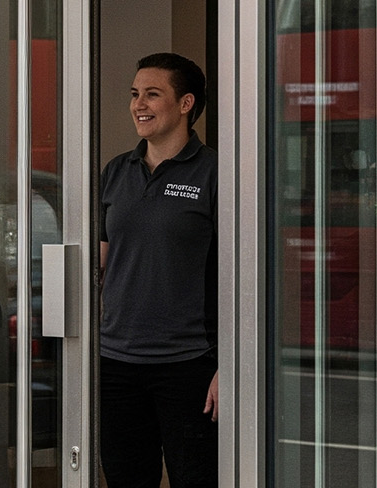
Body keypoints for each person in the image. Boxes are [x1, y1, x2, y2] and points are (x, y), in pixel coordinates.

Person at [99, 52, 219, 488]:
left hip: (188, 366)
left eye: (152, 94)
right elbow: (101, 260)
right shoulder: (115, 172)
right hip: (116, 364)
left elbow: (239, 278)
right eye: (134, 94)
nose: (138, 104)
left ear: (186, 104)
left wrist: (228, 365)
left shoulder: (215, 174)